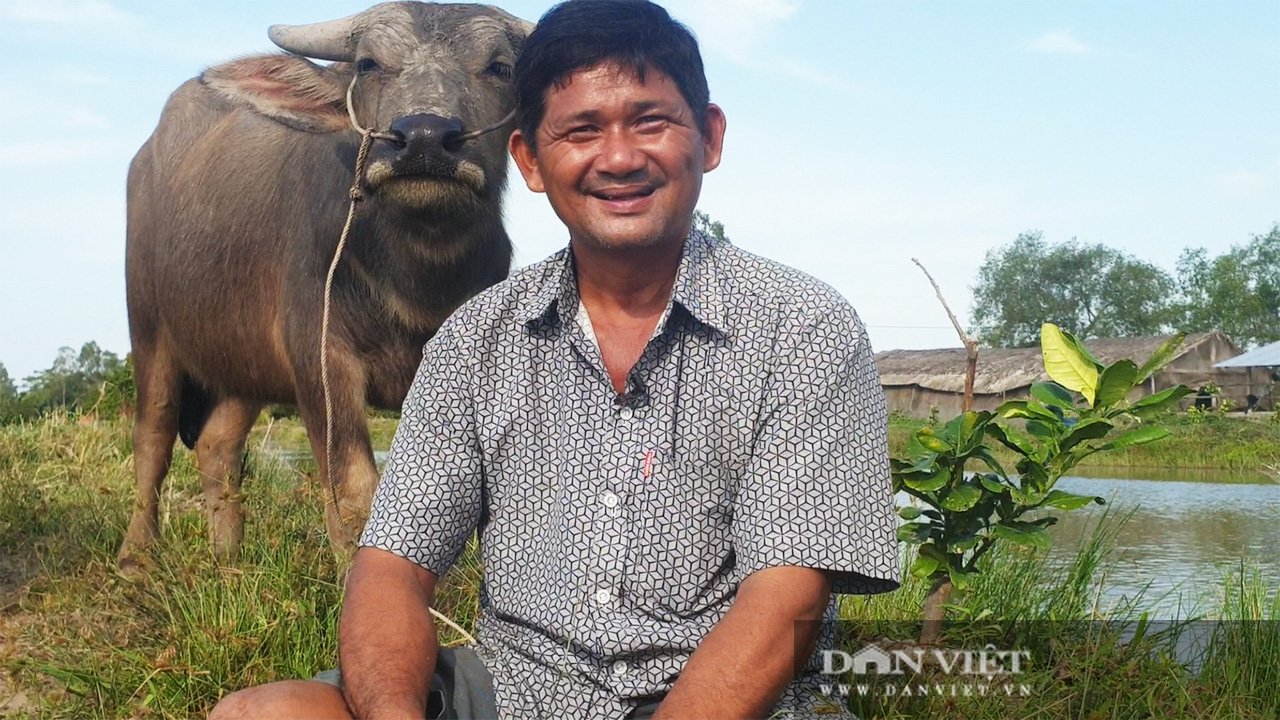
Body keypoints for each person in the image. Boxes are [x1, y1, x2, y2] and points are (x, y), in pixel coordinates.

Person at [210, 0, 898, 718]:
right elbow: (390, 566)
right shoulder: (476, 340)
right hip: (520, 691)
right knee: (260, 714)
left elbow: (786, 597)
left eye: (651, 121)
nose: (620, 157)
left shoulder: (803, 327)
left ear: (711, 137)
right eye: (580, 130)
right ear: (531, 162)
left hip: (734, 702)